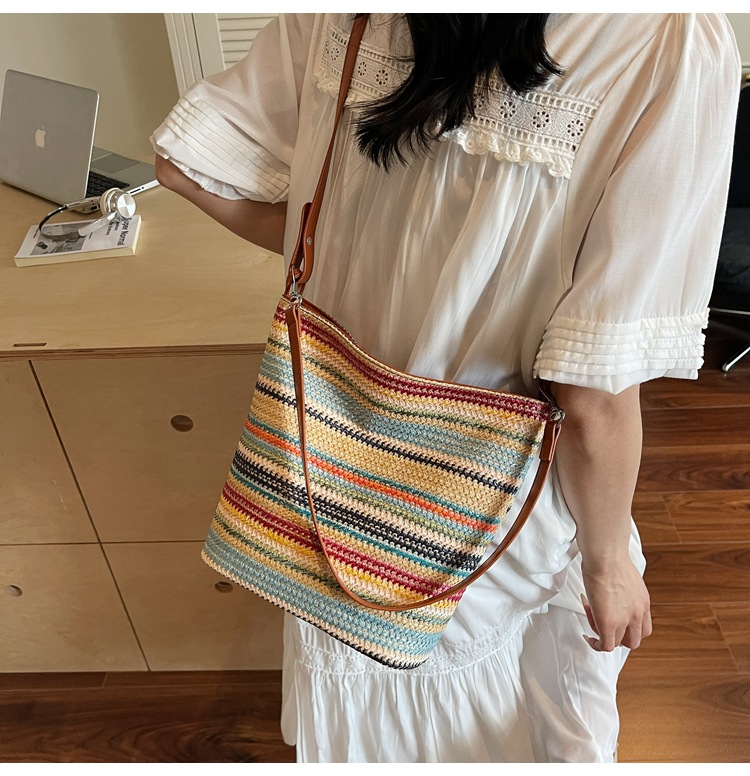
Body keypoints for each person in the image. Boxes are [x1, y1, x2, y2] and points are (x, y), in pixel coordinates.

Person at [151, 13, 740, 762]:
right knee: (514, 721)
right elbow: (591, 391)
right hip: (493, 505)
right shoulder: (666, 36)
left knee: (387, 711)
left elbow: (183, 167)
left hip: (330, 475)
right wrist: (607, 563)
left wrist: (329, 243)